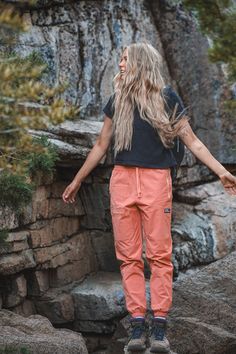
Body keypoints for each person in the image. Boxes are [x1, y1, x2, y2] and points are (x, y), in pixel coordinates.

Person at [62, 42, 236, 353]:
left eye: (125, 59)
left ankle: (159, 330)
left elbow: (192, 141)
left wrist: (222, 171)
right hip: (123, 180)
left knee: (159, 256)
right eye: (120, 59)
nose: (120, 64)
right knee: (128, 257)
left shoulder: (166, 97)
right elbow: (101, 146)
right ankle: (136, 328)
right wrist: (77, 180)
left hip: (156, 181)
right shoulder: (117, 101)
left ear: (140, 62)